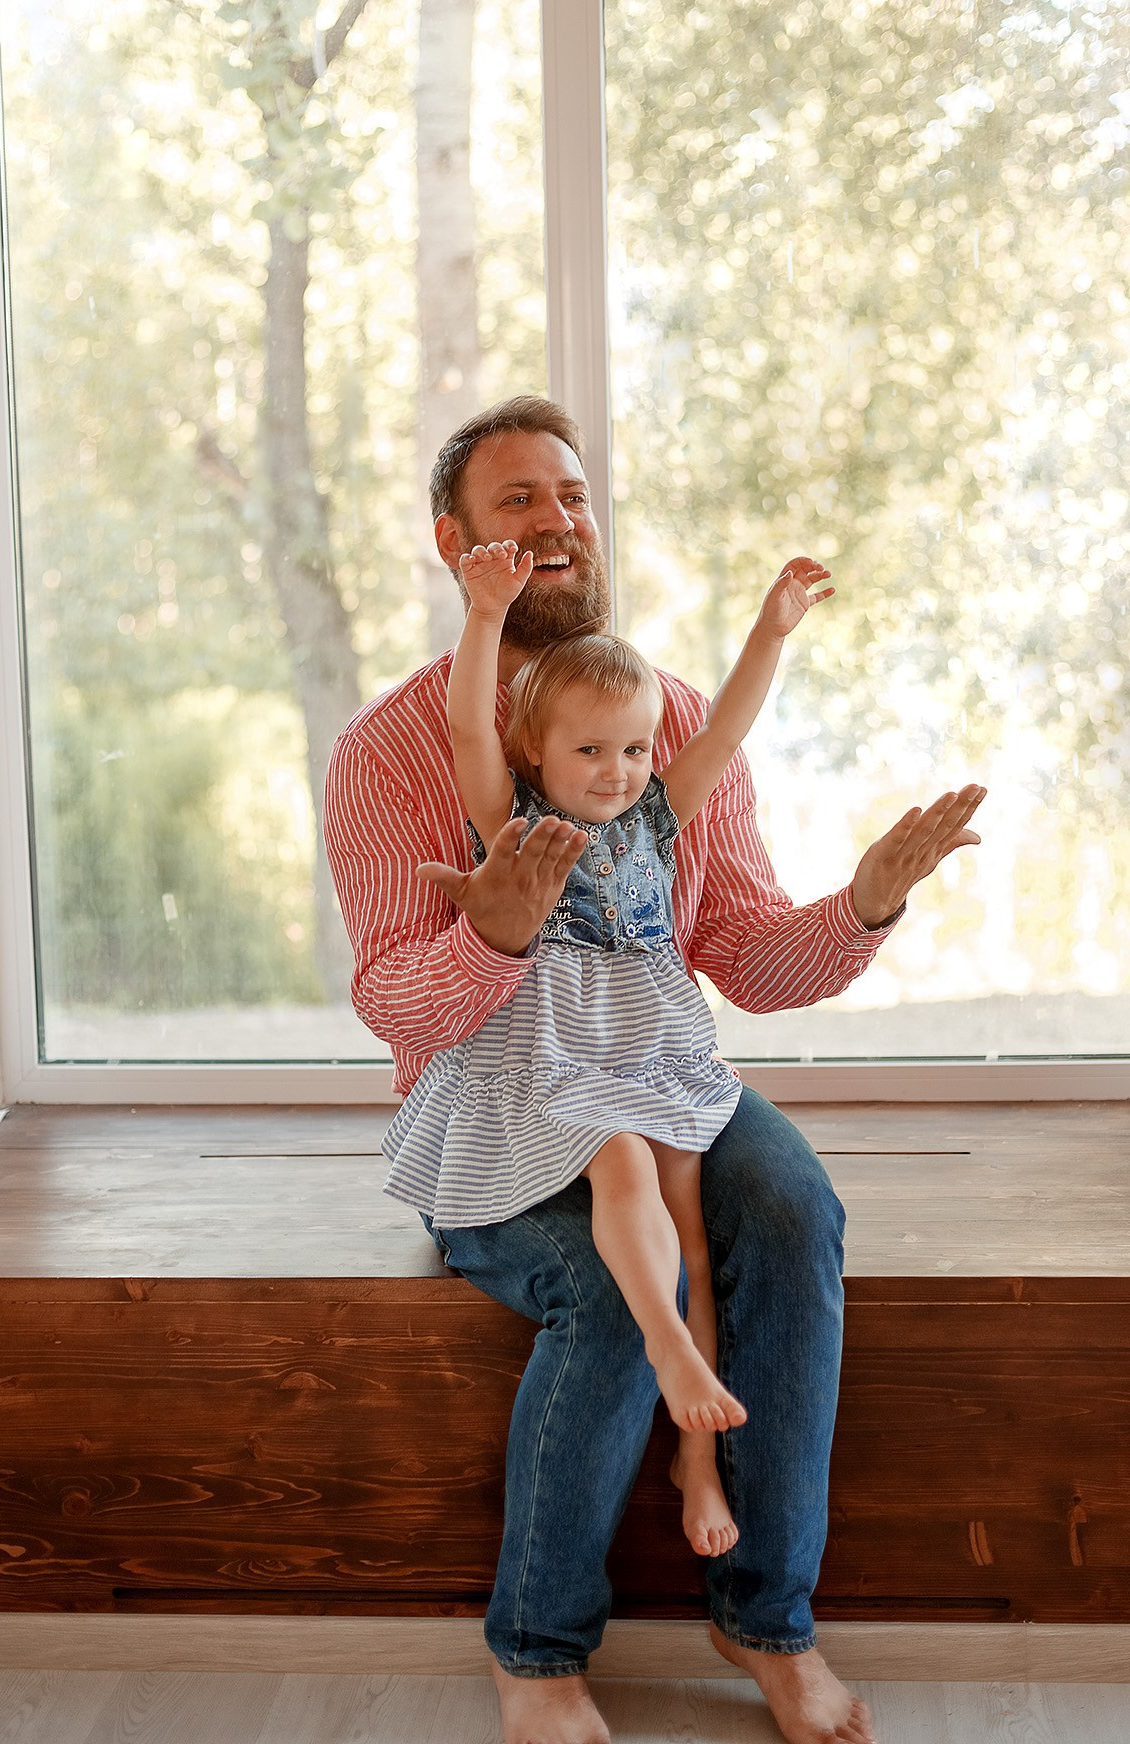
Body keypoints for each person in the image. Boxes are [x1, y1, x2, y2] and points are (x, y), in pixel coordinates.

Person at [324, 395, 985, 1744]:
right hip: (497, 1104)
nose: (558, 522)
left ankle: (767, 1624)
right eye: (519, 502)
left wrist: (861, 905)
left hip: (654, 1069)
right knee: (624, 1294)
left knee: (793, 1211)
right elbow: (396, 998)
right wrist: (495, 936)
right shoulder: (391, 751)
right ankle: (539, 1654)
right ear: (454, 543)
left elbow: (746, 953)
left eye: (572, 495)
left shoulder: (666, 726)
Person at [381, 535, 835, 1560]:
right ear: (536, 752)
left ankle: (697, 1461)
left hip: (651, 1037)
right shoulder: (516, 812)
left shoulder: (659, 818)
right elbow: (463, 727)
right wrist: (485, 612)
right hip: (555, 1045)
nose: (616, 771)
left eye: (631, 750)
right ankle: (670, 1350)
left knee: (694, 1237)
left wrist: (769, 631)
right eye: (589, 751)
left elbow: (721, 729)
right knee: (621, 1163)